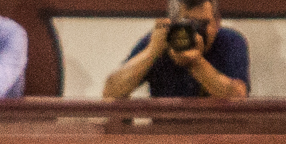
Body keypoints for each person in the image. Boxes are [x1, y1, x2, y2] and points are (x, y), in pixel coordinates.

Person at [102, 0, 248, 100]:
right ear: (173, 22)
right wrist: (152, 52)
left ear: (217, 22)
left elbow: (238, 97)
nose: (196, 32)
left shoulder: (230, 41)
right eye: (188, 24)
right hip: (166, 136)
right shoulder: (161, 40)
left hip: (217, 136)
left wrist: (195, 63)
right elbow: (111, 92)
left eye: (202, 24)